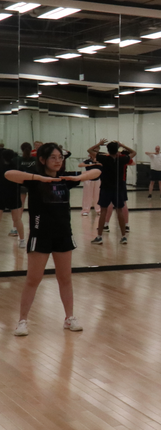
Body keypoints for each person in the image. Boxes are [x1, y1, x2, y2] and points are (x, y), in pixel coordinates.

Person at [5, 143, 100, 336]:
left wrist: (78, 178)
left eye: (60, 157)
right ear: (42, 160)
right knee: (33, 279)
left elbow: (97, 171)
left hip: (63, 235)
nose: (58, 161)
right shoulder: (34, 179)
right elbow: (9, 174)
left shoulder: (65, 179)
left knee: (65, 279)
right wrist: (38, 178)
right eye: (53, 157)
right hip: (40, 236)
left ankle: (69, 317)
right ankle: (22, 321)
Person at [88, 139, 135, 246]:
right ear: (117, 150)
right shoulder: (122, 159)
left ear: (108, 150)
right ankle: (123, 237)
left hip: (106, 188)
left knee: (103, 212)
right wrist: (122, 144)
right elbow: (133, 152)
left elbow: (89, 150)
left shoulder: (104, 158)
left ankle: (99, 237)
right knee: (119, 212)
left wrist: (99, 144)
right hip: (118, 189)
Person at [0, 147, 24, 248]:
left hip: (2, 194)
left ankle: (22, 240)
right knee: (17, 219)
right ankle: (22, 240)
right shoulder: (16, 167)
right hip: (14, 195)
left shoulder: (2, 167)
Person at [9, 142, 33, 239]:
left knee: (20, 207)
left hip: (21, 185)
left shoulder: (16, 160)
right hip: (34, 184)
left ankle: (15, 228)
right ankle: (34, 228)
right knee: (34, 207)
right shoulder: (35, 160)